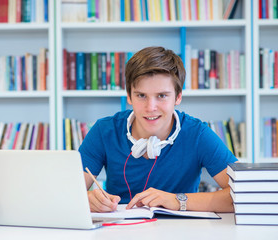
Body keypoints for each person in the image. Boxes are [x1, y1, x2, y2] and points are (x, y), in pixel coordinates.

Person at [78, 46, 238, 213]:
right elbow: (65, 194)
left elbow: (245, 194)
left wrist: (177, 200)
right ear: (129, 96)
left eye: (162, 96)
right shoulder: (104, 131)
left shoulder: (198, 134)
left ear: (178, 96)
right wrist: (85, 199)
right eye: (141, 95)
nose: (150, 107)